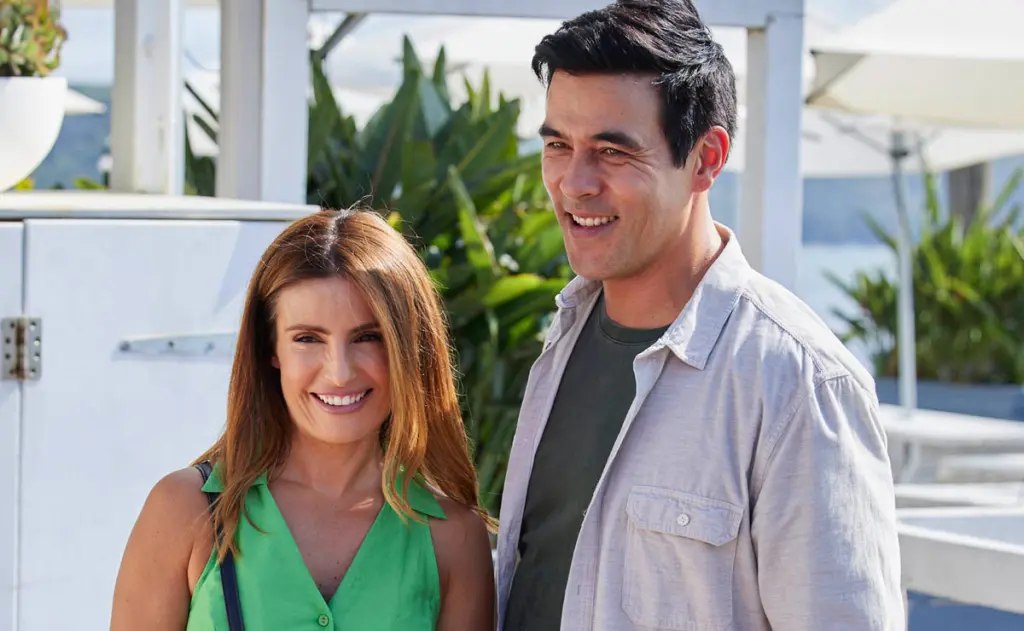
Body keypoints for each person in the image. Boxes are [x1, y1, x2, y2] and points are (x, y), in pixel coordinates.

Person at [496, 1, 904, 630]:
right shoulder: (566, 334)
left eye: (612, 151)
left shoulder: (798, 385)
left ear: (707, 158)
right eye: (557, 145)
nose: (574, 183)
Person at [110, 208, 495, 630]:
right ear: (270, 349)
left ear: (409, 346)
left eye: (368, 337)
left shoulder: (453, 538)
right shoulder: (184, 510)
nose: (340, 372)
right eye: (308, 339)